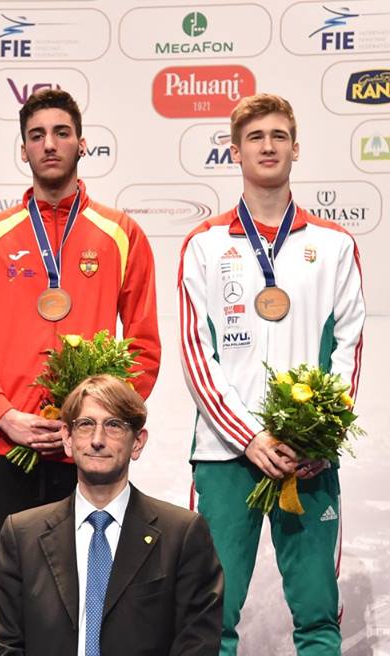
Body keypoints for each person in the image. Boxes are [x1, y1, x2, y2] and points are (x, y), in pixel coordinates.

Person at [178, 93, 365, 655]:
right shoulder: (204, 244)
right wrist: (250, 437)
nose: (268, 146)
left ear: (295, 149)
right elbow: (196, 353)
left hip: (309, 459)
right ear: (235, 152)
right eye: (255, 137)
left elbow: (349, 349)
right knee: (210, 620)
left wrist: (317, 437)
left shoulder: (334, 245)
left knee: (317, 618)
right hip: (225, 457)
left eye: (278, 136)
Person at [0, 88, 161, 560]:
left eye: (61, 133)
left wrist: (101, 422)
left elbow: (142, 345)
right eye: (37, 135)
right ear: (23, 150)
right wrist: (3, 415)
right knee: (2, 588)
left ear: (82, 144)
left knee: (87, 585)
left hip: (89, 449)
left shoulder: (122, 234)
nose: (49, 144)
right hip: (4, 447)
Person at [0, 374, 223, 655]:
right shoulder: (22, 534)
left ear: (137, 442)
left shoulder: (182, 534)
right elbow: (5, 644)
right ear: (67, 438)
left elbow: (197, 642)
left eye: (113, 425)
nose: (97, 440)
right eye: (86, 424)